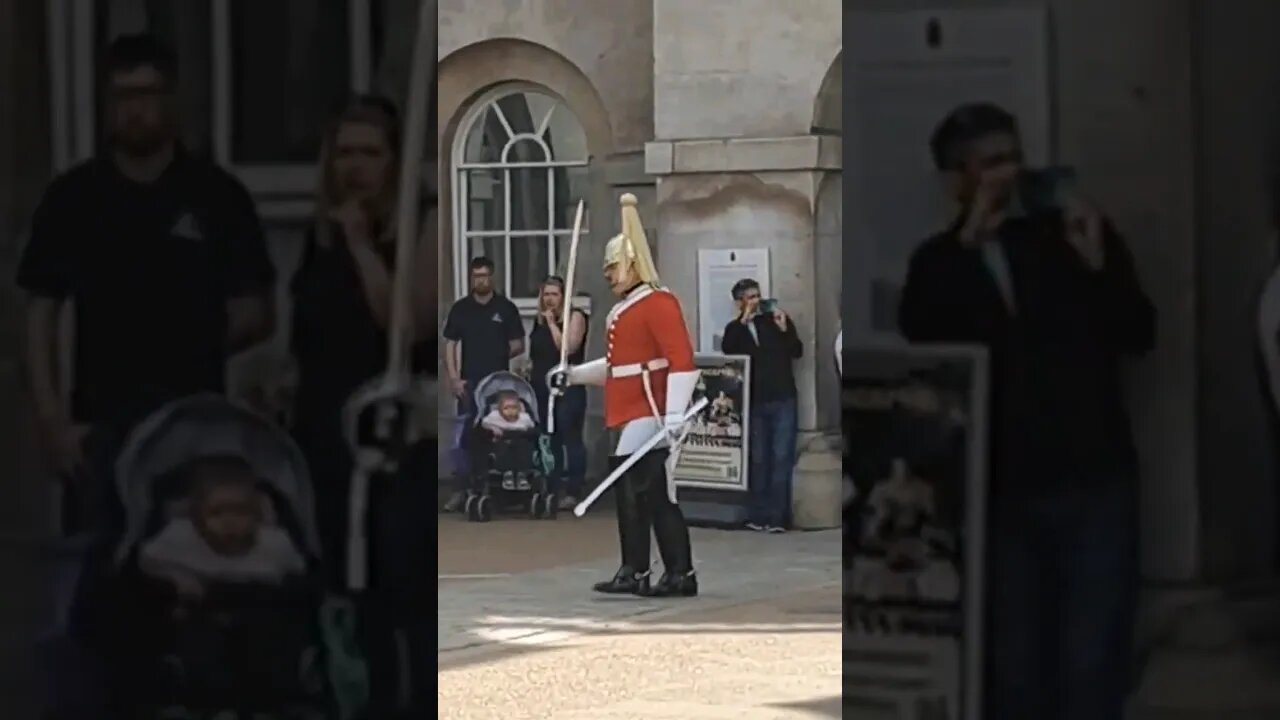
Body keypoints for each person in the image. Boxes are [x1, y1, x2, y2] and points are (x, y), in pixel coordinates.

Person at [17, 34, 276, 716]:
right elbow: (38, 312)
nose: (137, 110)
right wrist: (50, 420)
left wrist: (189, 333)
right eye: (124, 97)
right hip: (98, 428)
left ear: (173, 101)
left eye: (148, 95)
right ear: (109, 106)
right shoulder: (75, 198)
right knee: (103, 595)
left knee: (200, 591)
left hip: (197, 431)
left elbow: (257, 309)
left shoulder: (215, 195)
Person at [899, 103, 1155, 720]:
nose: (1007, 176)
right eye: (989, 165)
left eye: (1013, 159)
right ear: (958, 178)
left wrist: (1096, 263)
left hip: (1093, 475)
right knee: (1014, 663)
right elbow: (924, 339)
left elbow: (1138, 332)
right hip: (1001, 487)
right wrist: (968, 244)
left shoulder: (1066, 236)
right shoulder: (940, 260)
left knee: (1091, 660)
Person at [289, 94, 433, 586]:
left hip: (389, 427)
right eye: (346, 153)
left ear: (394, 162)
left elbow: (404, 326)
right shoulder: (321, 233)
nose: (356, 167)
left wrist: (361, 246)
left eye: (370, 154)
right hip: (324, 420)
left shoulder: (420, 223)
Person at [548, 194, 700, 598]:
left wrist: (673, 415)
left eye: (613, 266)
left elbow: (682, 360)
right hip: (634, 407)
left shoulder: (659, 303)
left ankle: (675, 572)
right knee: (636, 490)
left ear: (633, 264)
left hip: (652, 409)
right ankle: (638, 569)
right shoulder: (627, 308)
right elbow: (618, 369)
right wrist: (574, 374)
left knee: (652, 491)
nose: (609, 274)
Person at [138, 456, 306, 600]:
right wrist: (178, 579)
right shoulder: (178, 537)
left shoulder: (275, 544)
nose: (229, 521)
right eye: (216, 513)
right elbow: (148, 562)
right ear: (196, 517)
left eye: (240, 512)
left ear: (257, 515)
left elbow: (297, 572)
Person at [721, 279, 804, 533]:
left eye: (757, 296)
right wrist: (742, 324)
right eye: (749, 297)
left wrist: (785, 329)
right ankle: (758, 514)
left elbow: (797, 351)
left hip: (782, 397)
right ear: (739, 302)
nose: (755, 301)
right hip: (755, 400)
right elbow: (729, 354)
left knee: (781, 457)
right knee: (758, 459)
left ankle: (778, 517)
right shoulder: (734, 329)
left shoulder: (774, 321)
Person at [442, 257, 524, 510]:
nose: (481, 280)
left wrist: (498, 357)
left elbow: (518, 344)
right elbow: (450, 344)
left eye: (485, 275)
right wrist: (454, 378)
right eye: (476, 276)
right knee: (466, 437)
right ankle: (462, 489)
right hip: (469, 384)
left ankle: (497, 488)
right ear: (471, 278)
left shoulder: (506, 308)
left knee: (499, 433)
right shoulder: (461, 309)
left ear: (492, 277)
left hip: (499, 384)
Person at [528, 275, 589, 508]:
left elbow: (568, 348)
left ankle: (573, 489)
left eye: (554, 294)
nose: (550, 299)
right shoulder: (539, 321)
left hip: (567, 387)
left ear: (563, 297)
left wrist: (554, 323)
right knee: (548, 438)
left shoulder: (575, 317)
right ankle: (551, 487)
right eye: (546, 294)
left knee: (570, 437)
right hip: (542, 386)